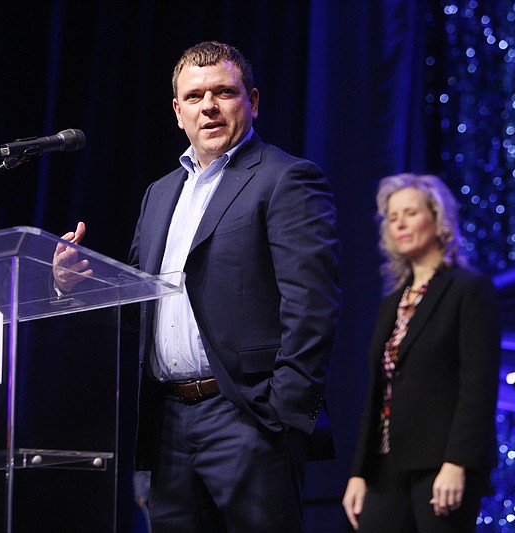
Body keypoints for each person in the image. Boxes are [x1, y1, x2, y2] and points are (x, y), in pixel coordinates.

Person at [54, 41, 340, 532]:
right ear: (177, 111)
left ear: (252, 101)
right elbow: (140, 300)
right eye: (194, 96)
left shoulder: (285, 178)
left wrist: (281, 413)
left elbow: (312, 304)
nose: (208, 105)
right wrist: (79, 284)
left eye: (223, 92)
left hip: (249, 418)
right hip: (168, 422)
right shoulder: (161, 192)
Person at [342, 174, 501, 532]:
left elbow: (478, 385)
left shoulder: (468, 290)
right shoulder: (392, 303)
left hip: (440, 464)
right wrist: (359, 473)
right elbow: (378, 392)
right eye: (392, 217)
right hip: (385, 466)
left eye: (410, 213)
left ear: (437, 218)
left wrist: (457, 462)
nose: (399, 223)